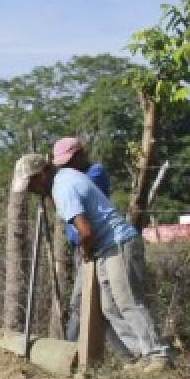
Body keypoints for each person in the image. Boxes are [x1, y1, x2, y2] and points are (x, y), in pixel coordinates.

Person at [12, 152, 173, 372]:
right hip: (107, 246)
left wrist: (86, 253)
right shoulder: (65, 176)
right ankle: (141, 355)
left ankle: (158, 354)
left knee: (127, 301)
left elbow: (85, 232)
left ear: (41, 175)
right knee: (109, 306)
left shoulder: (62, 188)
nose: (32, 191)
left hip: (118, 243)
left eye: (31, 185)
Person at [50, 137, 127, 350]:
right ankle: (126, 353)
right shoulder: (64, 180)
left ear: (81, 154)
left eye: (72, 159)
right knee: (96, 303)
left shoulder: (95, 172)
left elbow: (78, 196)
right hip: (81, 246)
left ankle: (67, 350)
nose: (67, 165)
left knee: (83, 301)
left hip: (93, 244)